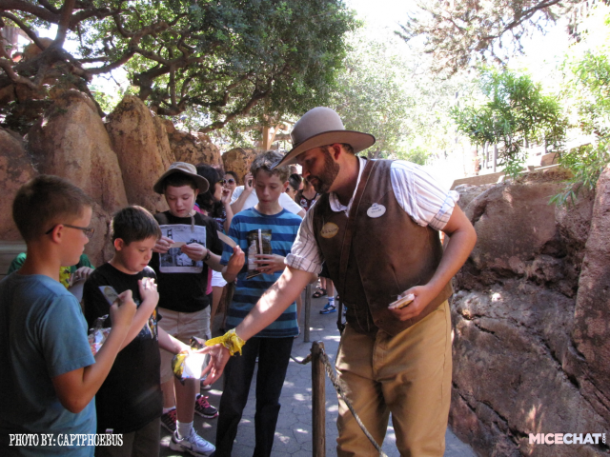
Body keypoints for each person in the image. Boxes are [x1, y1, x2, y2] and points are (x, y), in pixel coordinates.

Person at [204, 107, 477, 457]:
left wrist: (432, 289)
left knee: (418, 446)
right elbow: (287, 285)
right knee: (352, 446)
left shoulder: (400, 179)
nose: (304, 173)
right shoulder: (317, 216)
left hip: (418, 330)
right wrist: (232, 340)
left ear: (335, 150)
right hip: (359, 334)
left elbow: (463, 232)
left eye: (309, 161)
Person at [0, 175, 136, 456]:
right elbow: (76, 398)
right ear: (59, 232)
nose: (88, 238)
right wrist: (121, 327)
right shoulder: (57, 303)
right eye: (85, 229)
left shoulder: (8, 286)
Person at [83, 206, 198, 457]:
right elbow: (113, 341)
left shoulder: (147, 276)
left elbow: (150, 328)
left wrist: (181, 347)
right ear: (119, 244)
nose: (148, 257)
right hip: (115, 404)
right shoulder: (102, 284)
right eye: (141, 250)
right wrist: (147, 305)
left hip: (149, 402)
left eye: (151, 249)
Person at [150, 162, 244, 456]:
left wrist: (205, 254)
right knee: (159, 373)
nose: (178, 204)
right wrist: (150, 249)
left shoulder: (205, 225)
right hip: (160, 312)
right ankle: (160, 422)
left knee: (189, 374)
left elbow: (222, 266)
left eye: (185, 198)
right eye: (172, 198)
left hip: (195, 311)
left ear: (195, 194)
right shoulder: (154, 224)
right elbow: (137, 266)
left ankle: (185, 432)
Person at [212, 151, 302, 457]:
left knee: (268, 400)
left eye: (273, 187)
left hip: (282, 324)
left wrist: (285, 263)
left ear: (285, 185)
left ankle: (262, 453)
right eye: (260, 186)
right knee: (233, 397)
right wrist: (235, 265)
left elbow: (311, 275)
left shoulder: (296, 224)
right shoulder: (241, 220)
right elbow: (227, 273)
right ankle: (222, 451)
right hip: (240, 320)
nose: (265, 193)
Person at [231, 172, 306, 218]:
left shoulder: (279, 194)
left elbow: (302, 214)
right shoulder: (239, 190)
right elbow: (230, 214)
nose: (265, 193)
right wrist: (246, 191)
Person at [7, 252, 94, 289]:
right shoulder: (23, 260)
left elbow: (106, 291)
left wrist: (94, 277)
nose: (86, 240)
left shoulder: (79, 259)